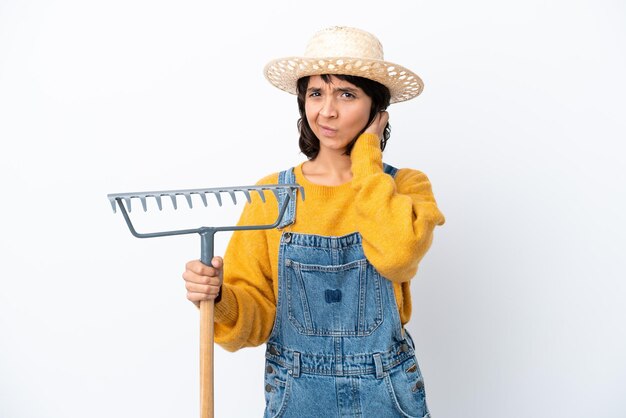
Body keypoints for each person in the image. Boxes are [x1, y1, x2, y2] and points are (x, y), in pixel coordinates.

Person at [182, 26, 445, 418]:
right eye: (316, 93)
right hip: (297, 393)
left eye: (347, 94)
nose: (327, 111)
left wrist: (367, 155)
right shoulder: (272, 195)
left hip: (386, 394)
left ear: (377, 109)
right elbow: (253, 321)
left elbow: (396, 256)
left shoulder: (404, 186)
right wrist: (218, 297)